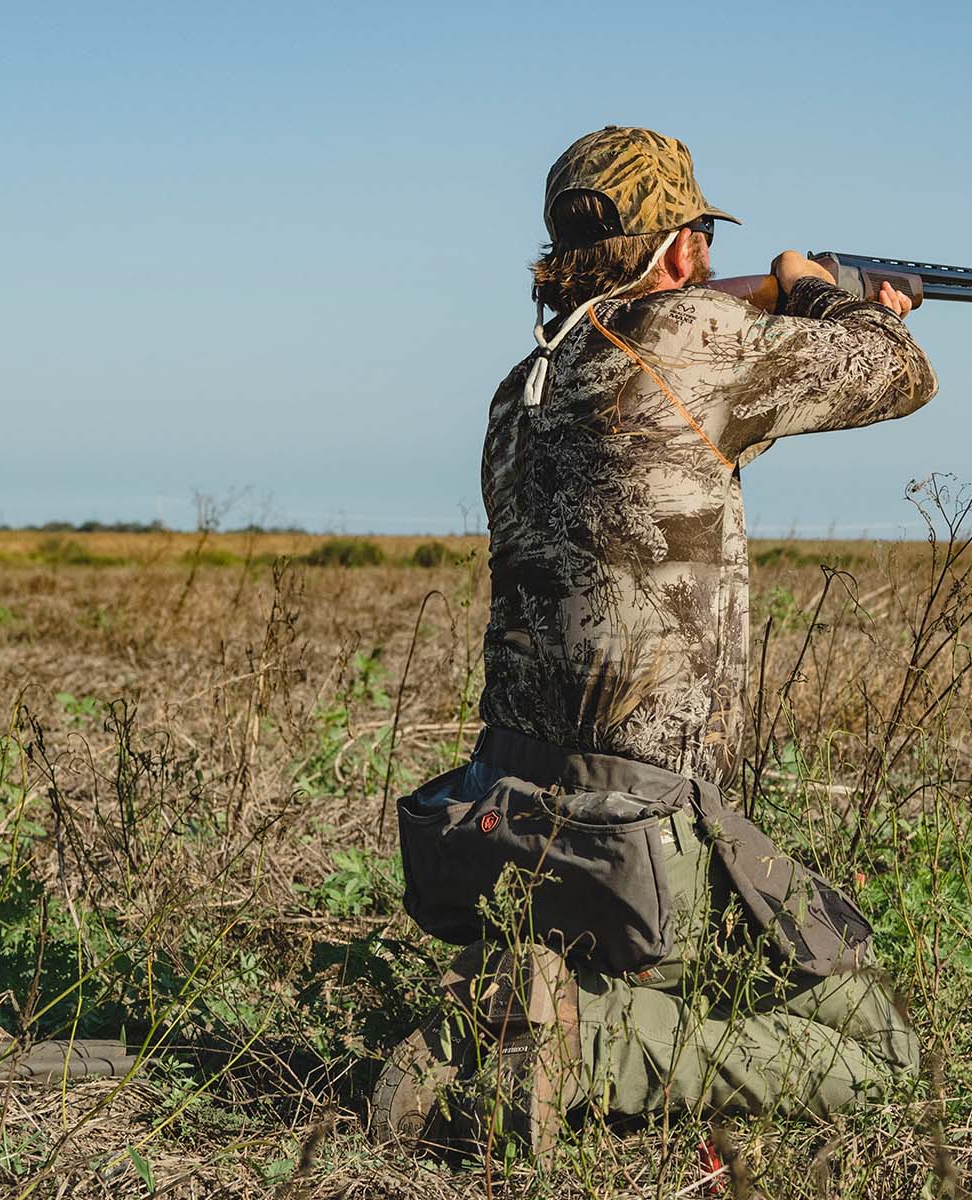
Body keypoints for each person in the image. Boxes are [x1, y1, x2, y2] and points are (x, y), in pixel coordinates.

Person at [373, 126, 937, 1159]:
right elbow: (893, 370)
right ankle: (576, 1050)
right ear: (681, 252)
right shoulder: (686, 347)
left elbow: (659, 399)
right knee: (880, 1052)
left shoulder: (521, 390)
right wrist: (816, 288)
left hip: (502, 807)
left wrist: (751, 301)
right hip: (639, 828)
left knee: (694, 984)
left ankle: (480, 1034)